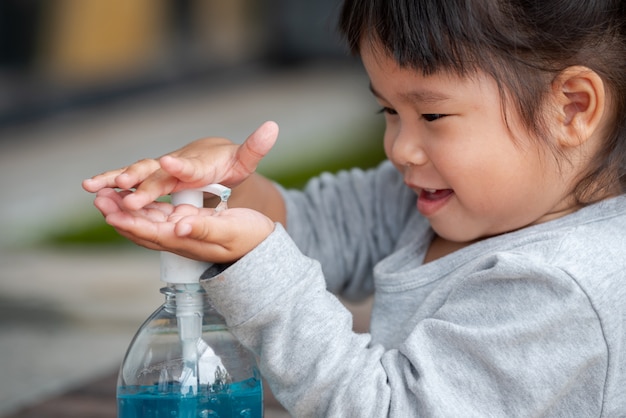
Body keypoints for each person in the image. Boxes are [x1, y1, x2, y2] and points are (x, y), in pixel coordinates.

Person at [83, 0, 626, 415]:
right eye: (388, 110)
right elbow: (313, 228)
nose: (399, 148)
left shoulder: (561, 287)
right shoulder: (443, 200)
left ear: (572, 108)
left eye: (432, 116)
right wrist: (221, 191)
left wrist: (262, 274)